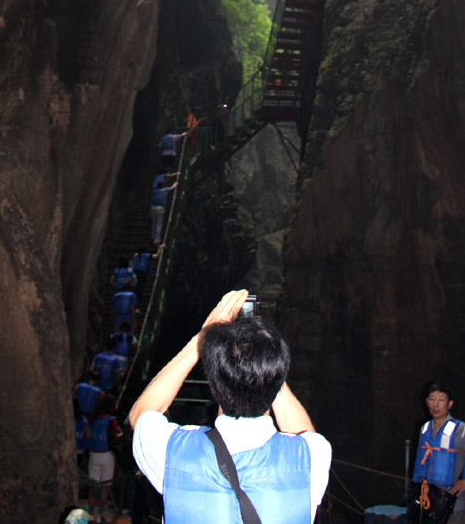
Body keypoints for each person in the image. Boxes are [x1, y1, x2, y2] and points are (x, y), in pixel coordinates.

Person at [129, 289, 332, 524]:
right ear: (276, 379)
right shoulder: (311, 459)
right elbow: (304, 435)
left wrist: (201, 341)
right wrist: (266, 368)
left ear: (214, 387)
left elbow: (141, 414)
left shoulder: (172, 451)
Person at [413, 382, 465, 523]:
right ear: (427, 402)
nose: (436, 405)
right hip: (428, 504)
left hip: (453, 507)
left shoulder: (461, 431)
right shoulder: (425, 429)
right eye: (432, 399)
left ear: (450, 404)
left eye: (441, 400)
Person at [88, 394, 122, 522]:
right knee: (104, 486)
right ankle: (99, 516)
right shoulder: (111, 420)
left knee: (93, 485)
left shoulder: (93, 419)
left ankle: (90, 513)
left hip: (93, 454)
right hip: (107, 454)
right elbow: (113, 438)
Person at [150, 171, 178, 245]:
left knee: (154, 222)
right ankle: (157, 240)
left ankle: (153, 236)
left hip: (153, 207)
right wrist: (176, 183)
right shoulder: (164, 190)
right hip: (160, 208)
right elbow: (173, 188)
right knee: (159, 224)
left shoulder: (154, 190)